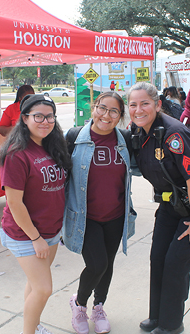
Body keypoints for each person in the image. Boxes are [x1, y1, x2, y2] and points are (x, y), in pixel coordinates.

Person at [128, 82, 190, 334]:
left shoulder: (173, 134)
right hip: (171, 203)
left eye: (145, 103)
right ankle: (157, 316)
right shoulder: (138, 132)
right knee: (157, 259)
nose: (138, 110)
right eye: (133, 105)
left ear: (157, 104)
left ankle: (172, 324)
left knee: (175, 264)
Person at [0, 94, 71, 334]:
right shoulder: (17, 154)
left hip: (50, 230)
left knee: (34, 283)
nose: (45, 121)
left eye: (49, 116)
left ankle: (34, 325)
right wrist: (35, 238)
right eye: (38, 116)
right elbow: (15, 203)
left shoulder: (51, 146)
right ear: (25, 118)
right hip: (25, 234)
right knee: (43, 289)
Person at [64, 92, 135, 334]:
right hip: (86, 217)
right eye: (102, 108)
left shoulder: (124, 139)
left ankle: (99, 306)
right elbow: (60, 177)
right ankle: (79, 304)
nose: (106, 115)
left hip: (115, 215)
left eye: (114, 111)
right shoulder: (74, 137)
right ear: (94, 108)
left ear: (120, 116)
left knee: (108, 265)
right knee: (98, 264)